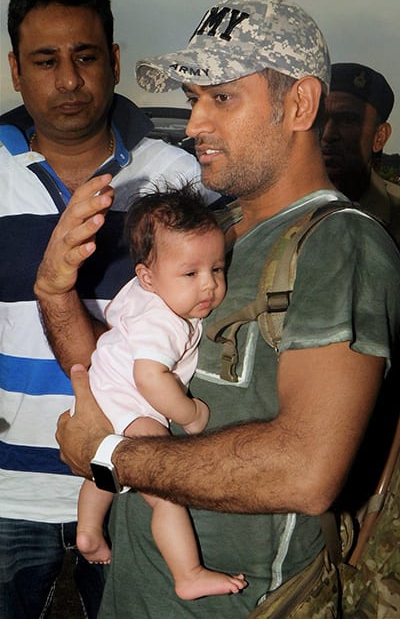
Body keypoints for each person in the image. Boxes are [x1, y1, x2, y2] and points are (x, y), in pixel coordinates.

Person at [36, 0, 400, 617]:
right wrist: (56, 292)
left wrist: (114, 457)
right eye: (193, 99)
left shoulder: (339, 246)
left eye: (222, 98)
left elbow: (306, 471)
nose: (194, 124)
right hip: (136, 595)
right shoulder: (213, 231)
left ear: (300, 104)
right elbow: (116, 375)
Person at [0, 0, 217, 617]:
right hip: (8, 490)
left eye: (85, 56)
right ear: (15, 69)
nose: (69, 79)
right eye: (44, 60)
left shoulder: (178, 178)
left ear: (115, 61)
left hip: (136, 482)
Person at [76, 185, 247, 599]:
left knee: (106, 459)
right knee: (166, 490)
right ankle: (187, 574)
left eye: (217, 269)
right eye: (191, 274)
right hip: (132, 403)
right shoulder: (165, 321)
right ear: (147, 276)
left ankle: (87, 532)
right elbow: (151, 378)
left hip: (105, 391)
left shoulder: (142, 292)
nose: (208, 286)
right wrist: (189, 414)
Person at [322, 62, 400, 328]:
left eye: (347, 120)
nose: (329, 134)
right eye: (320, 119)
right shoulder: (275, 209)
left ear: (379, 137)